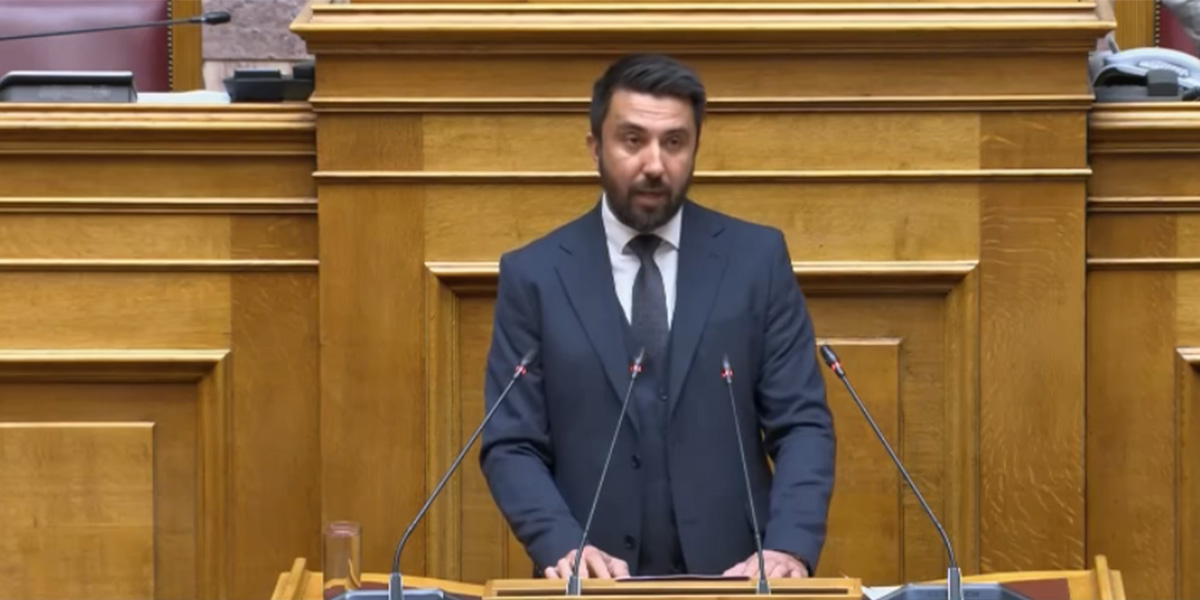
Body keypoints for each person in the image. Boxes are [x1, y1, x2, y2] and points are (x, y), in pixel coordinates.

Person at [478, 53, 835, 581]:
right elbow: (512, 442)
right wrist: (562, 544)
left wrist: (789, 548)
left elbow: (801, 423)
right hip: (591, 585)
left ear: (695, 149)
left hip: (735, 581)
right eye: (632, 140)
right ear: (595, 147)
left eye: (674, 142)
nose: (654, 164)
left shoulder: (755, 261)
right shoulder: (535, 275)